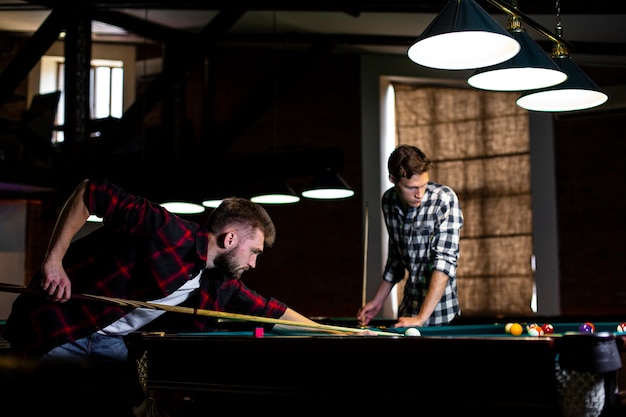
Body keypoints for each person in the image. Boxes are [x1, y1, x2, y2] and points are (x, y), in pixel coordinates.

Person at [2, 178, 326, 362]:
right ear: (229, 238)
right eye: (253, 251)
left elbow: (271, 312)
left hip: (111, 347)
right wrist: (53, 261)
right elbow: (90, 192)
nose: (254, 263)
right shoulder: (165, 228)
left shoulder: (220, 283)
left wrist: (331, 333)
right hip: (60, 326)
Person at [357, 144, 463, 328]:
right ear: (393, 179)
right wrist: (378, 302)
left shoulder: (444, 200)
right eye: (412, 188)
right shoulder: (388, 201)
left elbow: (444, 262)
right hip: (407, 313)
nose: (419, 194)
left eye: (424, 185)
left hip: (442, 317)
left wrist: (422, 318)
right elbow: (396, 259)